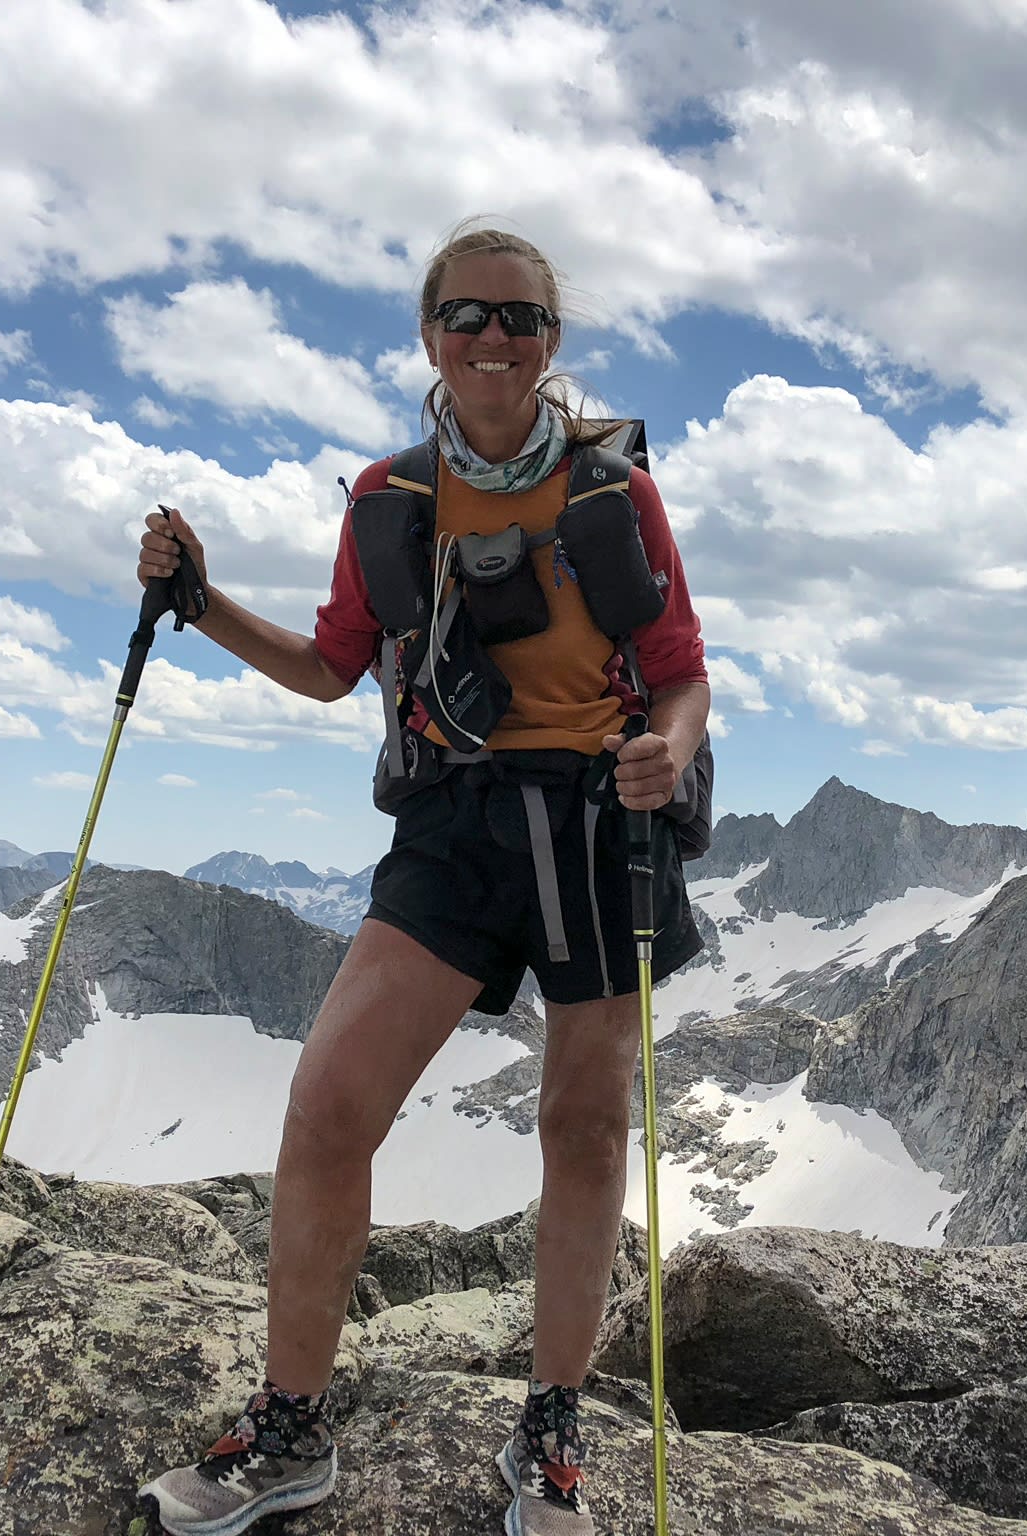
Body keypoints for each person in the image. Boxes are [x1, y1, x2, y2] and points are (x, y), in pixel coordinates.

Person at [135, 220, 709, 1536]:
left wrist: (667, 755)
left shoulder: (613, 491)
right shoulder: (388, 498)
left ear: (551, 341)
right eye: (469, 316)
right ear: (430, 334)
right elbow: (331, 665)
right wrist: (201, 604)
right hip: (455, 819)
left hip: (597, 821)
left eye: (521, 319)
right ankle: (291, 1428)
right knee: (331, 1103)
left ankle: (552, 1430)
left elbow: (681, 673)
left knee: (583, 1129)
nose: (495, 339)